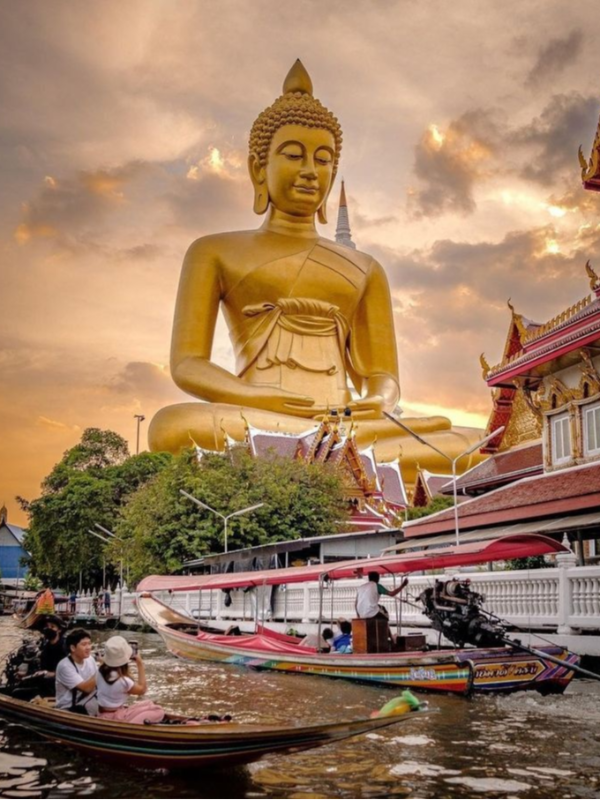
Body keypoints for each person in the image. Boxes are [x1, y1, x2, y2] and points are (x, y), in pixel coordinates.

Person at [147, 59, 485, 488]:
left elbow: (383, 377)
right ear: (258, 169)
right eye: (293, 155)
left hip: (349, 424)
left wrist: (378, 402)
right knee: (171, 427)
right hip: (263, 416)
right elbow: (188, 364)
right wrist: (254, 396)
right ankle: (324, 455)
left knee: (472, 443)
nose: (310, 170)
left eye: (323, 160)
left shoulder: (365, 268)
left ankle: (324, 455)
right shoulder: (213, 251)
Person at [97, 636, 165, 724]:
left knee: (149, 703)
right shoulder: (123, 681)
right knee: (158, 710)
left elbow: (109, 668)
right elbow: (143, 689)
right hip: (116, 717)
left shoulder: (99, 671)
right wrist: (140, 664)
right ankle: (130, 726)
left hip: (103, 714)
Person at [11, 615, 67, 700]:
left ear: (59, 630)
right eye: (47, 626)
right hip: (43, 681)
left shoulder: (64, 647)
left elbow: (66, 672)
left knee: (17, 693)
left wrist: (48, 673)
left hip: (56, 686)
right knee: (20, 684)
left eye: (52, 627)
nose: (49, 629)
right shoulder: (46, 645)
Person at [55, 628, 98, 713]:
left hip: (86, 702)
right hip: (69, 709)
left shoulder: (90, 659)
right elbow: (86, 688)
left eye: (89, 644)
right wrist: (104, 668)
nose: (88, 648)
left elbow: (97, 683)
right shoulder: (65, 666)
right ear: (73, 648)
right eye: (84, 644)